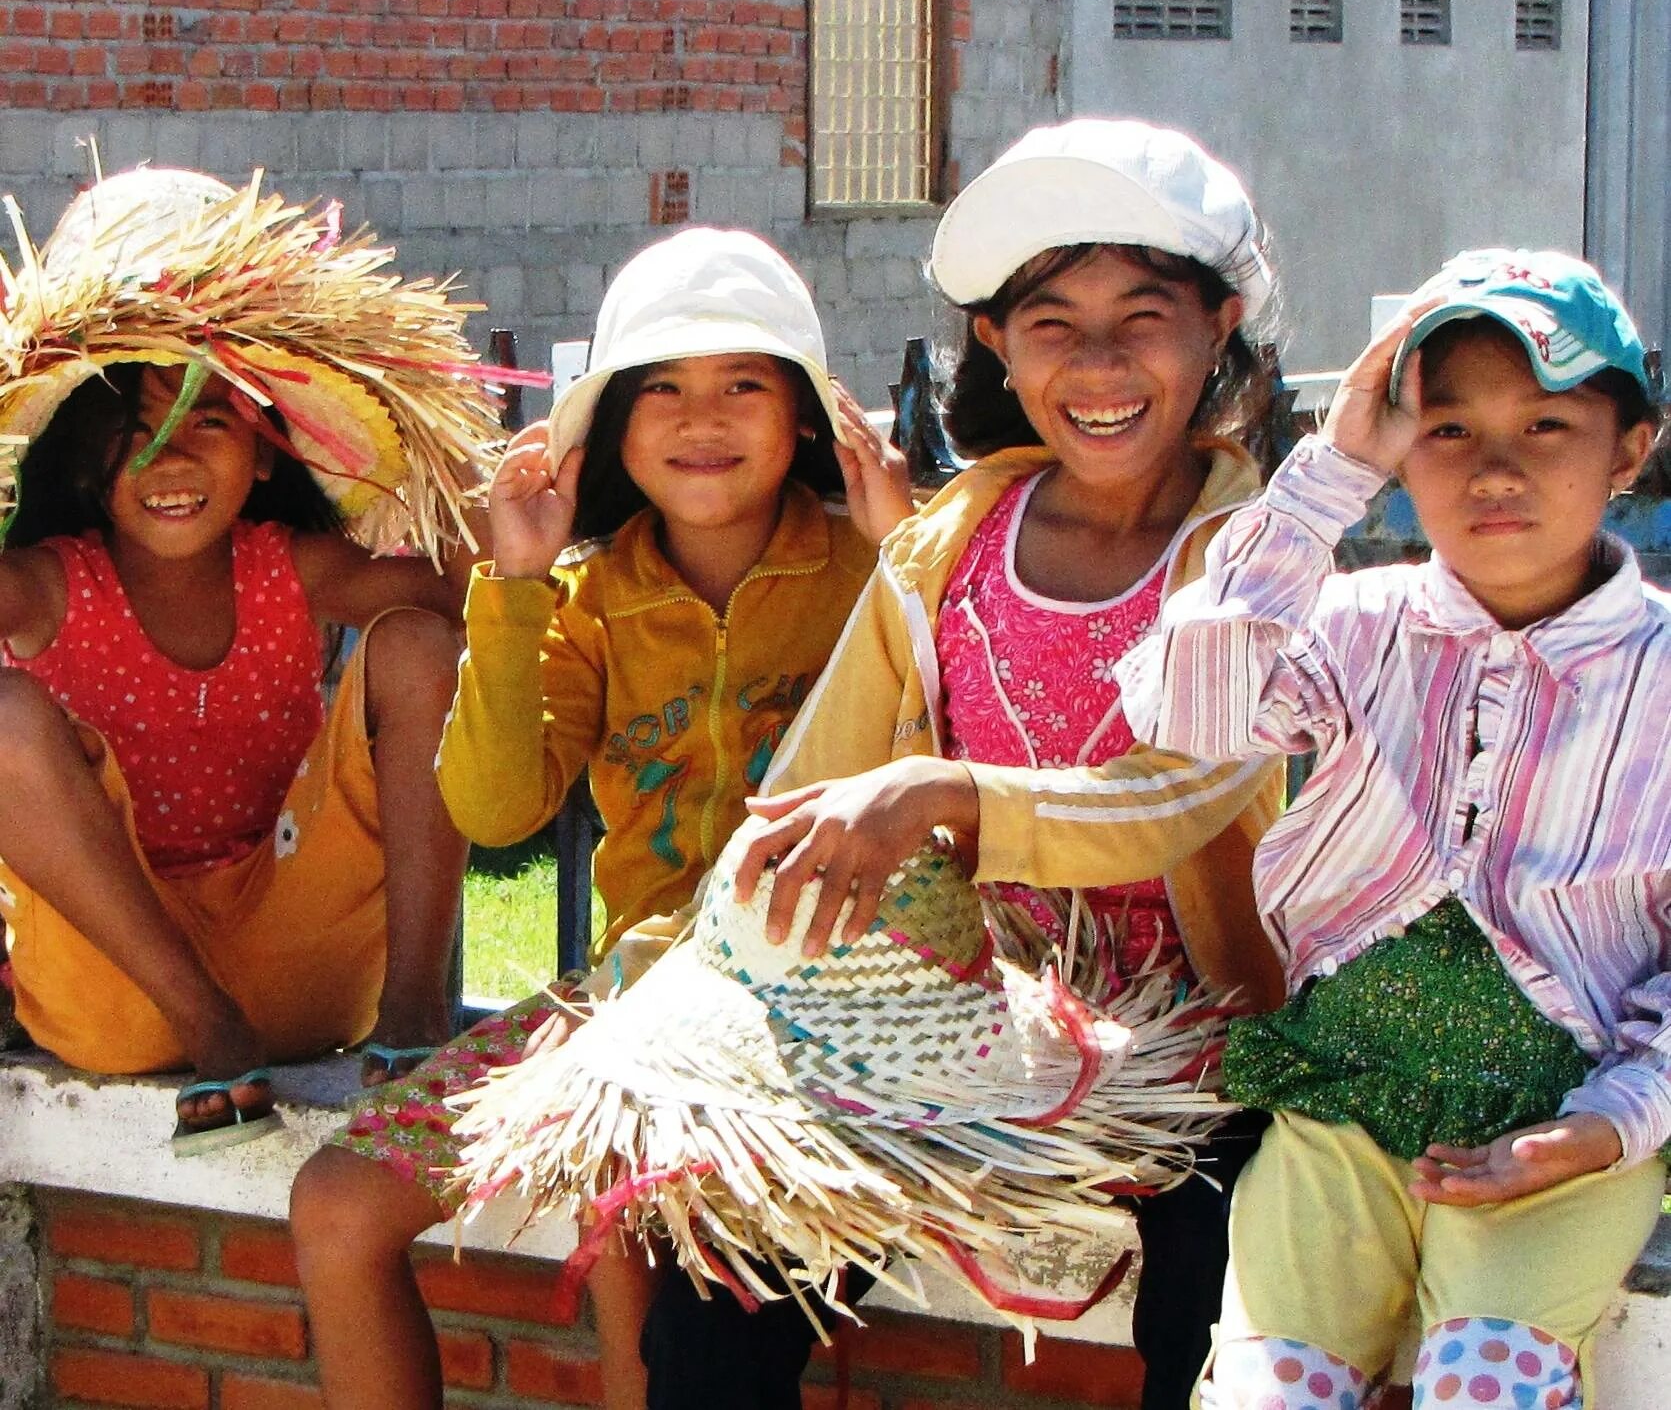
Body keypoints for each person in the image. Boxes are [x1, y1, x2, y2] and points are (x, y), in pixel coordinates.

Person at [717, 119, 1292, 1410]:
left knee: (1213, 1304)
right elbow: (820, 772)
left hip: (1213, 1058)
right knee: (726, 1258)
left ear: (1220, 323)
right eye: (1050, 322)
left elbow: (1175, 793)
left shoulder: (1255, 559)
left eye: (1140, 315)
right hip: (975, 1032)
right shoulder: (946, 548)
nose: (1095, 364)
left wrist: (940, 794)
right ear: (994, 342)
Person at [288, 226, 911, 1410]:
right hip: (624, 998)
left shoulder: (865, 572)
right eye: (662, 388)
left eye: (745, 383)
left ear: (807, 421)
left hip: (812, 1012)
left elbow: (958, 759)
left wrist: (909, 554)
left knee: (634, 1194)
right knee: (339, 1203)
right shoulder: (586, 598)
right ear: (614, 427)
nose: (702, 416)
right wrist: (514, 586)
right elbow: (494, 802)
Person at [1127, 248, 1669, 1410]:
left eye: (1549, 426)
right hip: (1343, 1112)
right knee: (1266, 1393)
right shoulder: (1359, 623)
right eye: (1449, 429)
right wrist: (1330, 472)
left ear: (1630, 447)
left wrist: (1603, 1126)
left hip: (1562, 1133)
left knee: (1483, 1386)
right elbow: (1186, 705)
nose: (1497, 470)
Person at [0, 166, 503, 1151]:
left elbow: (469, 598)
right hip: (125, 991)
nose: (169, 462)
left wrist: (464, 465)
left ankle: (416, 1019)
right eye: (131, 432)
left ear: (267, 448)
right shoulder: (46, 585)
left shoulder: (289, 568)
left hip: (305, 976)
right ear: (76, 457)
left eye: (208, 421)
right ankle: (208, 1023)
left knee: (417, 645)